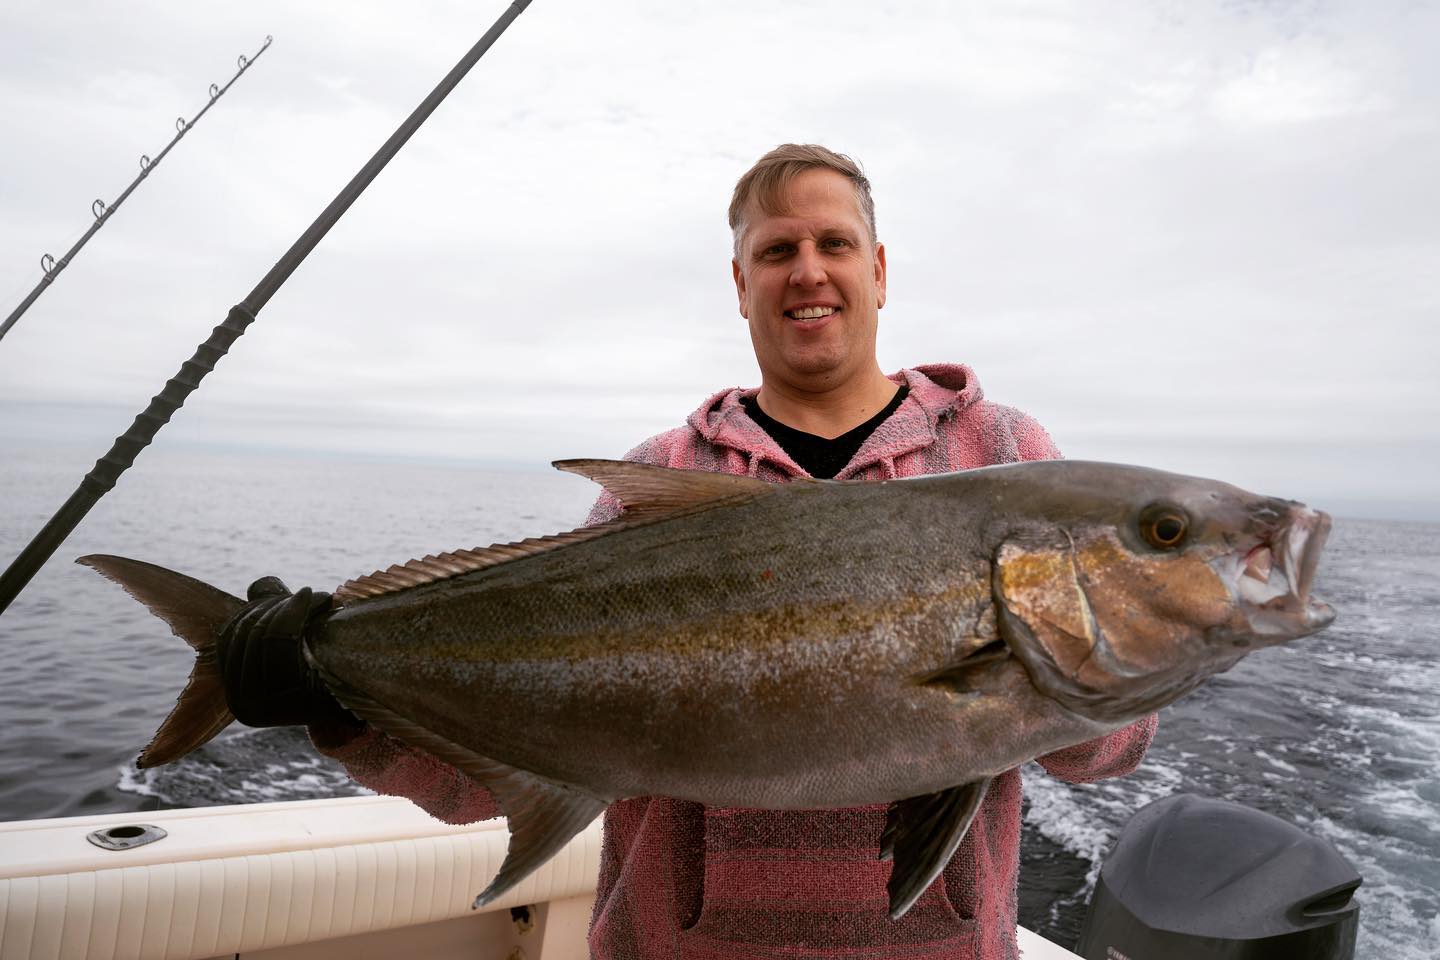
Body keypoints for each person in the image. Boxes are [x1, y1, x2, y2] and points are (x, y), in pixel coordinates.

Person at [220, 144, 1156, 959]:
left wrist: (1083, 674)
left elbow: (1102, 754)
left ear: (879, 269)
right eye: (776, 250)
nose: (808, 271)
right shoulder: (664, 469)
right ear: (741, 282)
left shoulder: (999, 453)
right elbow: (499, 771)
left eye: (833, 244)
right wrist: (336, 709)